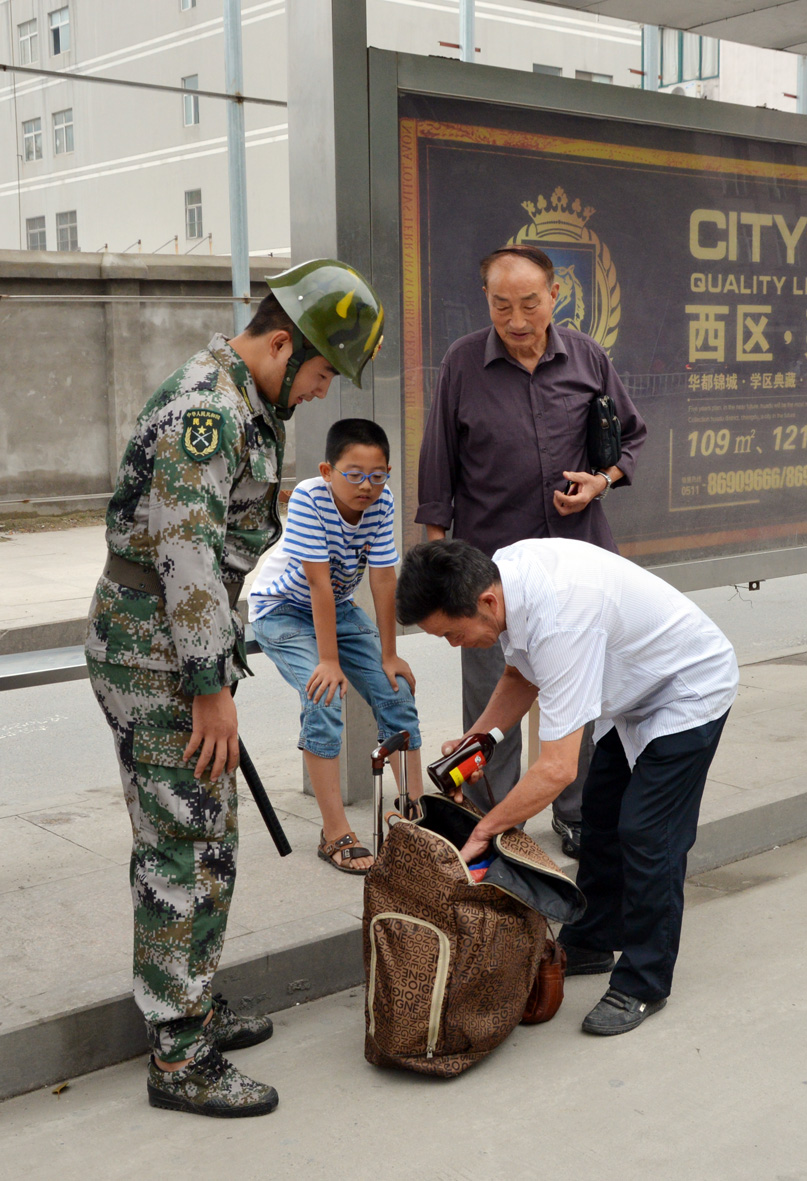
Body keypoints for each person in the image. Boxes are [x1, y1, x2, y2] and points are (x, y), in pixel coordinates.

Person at [85, 259, 385, 1117]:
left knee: (210, 835)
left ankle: (195, 1003)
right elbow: (181, 555)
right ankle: (178, 1057)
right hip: (157, 653)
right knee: (182, 843)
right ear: (282, 343)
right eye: (324, 369)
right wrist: (210, 686)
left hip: (182, 647)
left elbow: (222, 534)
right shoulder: (209, 412)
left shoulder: (252, 402)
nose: (325, 389)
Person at [395, 538, 738, 1036]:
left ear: (486, 603)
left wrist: (486, 830)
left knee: (648, 832)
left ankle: (644, 982)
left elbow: (556, 770)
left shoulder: (561, 618)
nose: (452, 645)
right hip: (634, 691)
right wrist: (482, 738)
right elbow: (520, 671)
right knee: (601, 814)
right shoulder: (502, 577)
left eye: (451, 633)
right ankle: (595, 938)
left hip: (687, 687)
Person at [416, 243, 647, 858]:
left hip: (578, 563)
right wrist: (440, 568)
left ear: (554, 297)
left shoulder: (588, 357)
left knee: (580, 701)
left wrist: (603, 481)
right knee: (495, 697)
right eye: (501, 306)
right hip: (490, 573)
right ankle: (494, 819)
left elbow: (630, 439)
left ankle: (577, 815)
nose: (517, 320)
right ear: (487, 302)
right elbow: (437, 473)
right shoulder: (463, 364)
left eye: (529, 304)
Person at [249, 418, 423, 873]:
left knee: (397, 691)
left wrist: (389, 654)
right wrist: (328, 661)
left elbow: (384, 578)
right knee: (323, 695)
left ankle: (417, 819)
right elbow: (318, 584)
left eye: (378, 474)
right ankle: (335, 832)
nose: (367, 485)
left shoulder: (381, 502)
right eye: (354, 474)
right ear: (328, 470)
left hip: (338, 610)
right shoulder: (309, 496)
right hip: (282, 608)